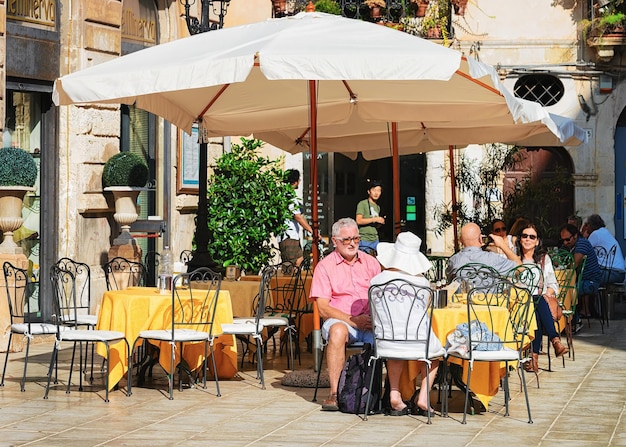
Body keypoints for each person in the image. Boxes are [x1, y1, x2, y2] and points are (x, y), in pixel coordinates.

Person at [309, 217, 381, 411]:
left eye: (356, 239)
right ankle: (334, 393)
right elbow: (323, 308)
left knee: (394, 334)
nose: (352, 243)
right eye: (346, 240)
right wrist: (353, 320)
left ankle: (393, 394)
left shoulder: (372, 263)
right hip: (341, 320)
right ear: (334, 241)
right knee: (338, 331)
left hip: (369, 321)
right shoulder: (325, 266)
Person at [370, 232, 441, 417]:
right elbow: (424, 309)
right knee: (435, 356)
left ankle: (395, 393)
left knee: (396, 354)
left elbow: (374, 311)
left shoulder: (375, 281)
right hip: (417, 342)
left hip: (386, 341)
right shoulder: (422, 283)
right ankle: (424, 397)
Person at [515, 223, 569, 373]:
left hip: (538, 302)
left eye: (532, 237)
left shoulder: (543, 260)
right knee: (535, 304)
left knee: (537, 305)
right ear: (520, 239)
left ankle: (534, 360)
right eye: (525, 236)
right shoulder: (514, 259)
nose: (528, 239)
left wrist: (547, 293)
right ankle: (555, 340)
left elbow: (552, 284)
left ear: (537, 241)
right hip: (519, 303)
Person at [446, 222, 521, 281]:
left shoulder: (454, 260)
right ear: (480, 239)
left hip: (462, 300)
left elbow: (450, 280)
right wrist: (503, 245)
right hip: (490, 300)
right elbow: (520, 268)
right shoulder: (492, 258)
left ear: (461, 240)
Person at [559, 223, 602, 321]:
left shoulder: (582, 243)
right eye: (563, 240)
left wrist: (563, 263)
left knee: (566, 291)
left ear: (575, 236)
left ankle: (573, 320)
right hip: (579, 280)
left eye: (567, 239)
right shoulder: (569, 245)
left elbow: (574, 265)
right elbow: (557, 258)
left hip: (590, 281)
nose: (565, 242)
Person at [278, 169, 313, 266]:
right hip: (289, 236)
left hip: (289, 237)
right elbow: (298, 217)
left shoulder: (282, 195)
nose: (300, 181)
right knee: (293, 265)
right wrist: (311, 230)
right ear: (294, 181)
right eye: (299, 179)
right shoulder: (289, 197)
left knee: (297, 263)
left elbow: (300, 215)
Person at [586, 214, 626, 284]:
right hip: (620, 273)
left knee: (584, 276)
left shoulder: (595, 234)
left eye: (587, 225)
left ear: (590, 225)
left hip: (611, 272)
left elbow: (584, 250)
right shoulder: (605, 232)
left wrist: (584, 235)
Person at [355, 179, 385, 254]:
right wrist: (375, 219)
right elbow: (358, 221)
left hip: (375, 240)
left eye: (379, 190)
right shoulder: (362, 204)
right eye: (374, 190)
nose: (376, 193)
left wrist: (380, 223)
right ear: (369, 191)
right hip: (364, 240)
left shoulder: (378, 207)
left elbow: (374, 225)